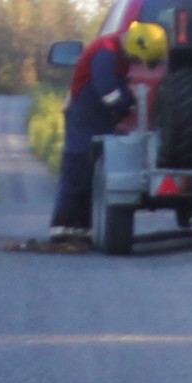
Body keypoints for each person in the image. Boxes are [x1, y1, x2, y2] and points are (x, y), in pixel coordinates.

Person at [50, 28, 133, 236]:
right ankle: (62, 227)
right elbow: (107, 89)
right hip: (84, 116)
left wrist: (127, 104)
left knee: (93, 173)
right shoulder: (105, 51)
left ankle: (83, 228)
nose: (137, 63)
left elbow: (119, 87)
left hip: (96, 118)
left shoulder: (118, 53)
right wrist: (123, 108)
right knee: (79, 166)